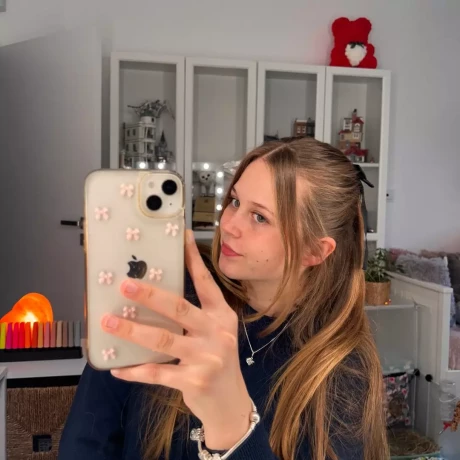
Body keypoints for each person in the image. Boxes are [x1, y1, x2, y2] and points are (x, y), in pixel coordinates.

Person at [58, 137, 389, 460]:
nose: (228, 224)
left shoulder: (342, 368)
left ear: (314, 250)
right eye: (235, 201)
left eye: (260, 217)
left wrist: (233, 427)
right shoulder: (172, 293)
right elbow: (88, 437)